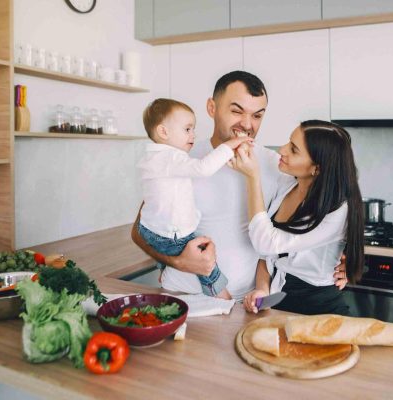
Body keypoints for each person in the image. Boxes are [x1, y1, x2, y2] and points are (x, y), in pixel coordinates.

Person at [131, 71, 349, 300]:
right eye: (236, 111)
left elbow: (321, 204)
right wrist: (175, 261)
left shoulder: (277, 165)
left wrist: (342, 256)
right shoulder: (182, 159)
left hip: (245, 302)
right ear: (212, 108)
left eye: (257, 115)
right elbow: (140, 231)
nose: (247, 124)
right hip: (181, 294)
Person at [230, 120, 364, 315]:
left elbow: (265, 243)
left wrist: (252, 178)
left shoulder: (336, 211)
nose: (282, 150)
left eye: (293, 149)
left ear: (316, 169)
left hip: (319, 309)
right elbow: (268, 256)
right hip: (279, 303)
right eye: (288, 142)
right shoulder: (288, 185)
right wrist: (262, 289)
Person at [136, 98, 252, 299]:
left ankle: (163, 269)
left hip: (149, 229)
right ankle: (219, 292)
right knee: (204, 257)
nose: (193, 134)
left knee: (168, 242)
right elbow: (203, 168)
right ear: (163, 132)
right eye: (187, 129)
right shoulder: (172, 157)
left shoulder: (152, 158)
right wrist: (229, 146)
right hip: (172, 234)